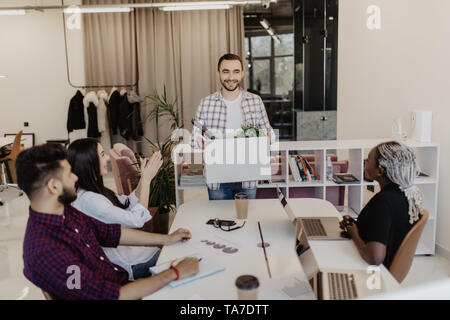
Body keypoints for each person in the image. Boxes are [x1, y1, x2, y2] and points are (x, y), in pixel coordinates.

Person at [17, 143, 199, 300]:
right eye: (69, 174)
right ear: (54, 186)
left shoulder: (64, 211)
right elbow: (111, 295)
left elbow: (109, 233)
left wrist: (167, 239)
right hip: (121, 292)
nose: (75, 177)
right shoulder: (45, 250)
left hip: (122, 282)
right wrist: (174, 273)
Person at [67, 138, 162, 280]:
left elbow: (128, 202)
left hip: (135, 253)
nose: (106, 158)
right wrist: (147, 180)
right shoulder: (89, 200)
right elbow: (137, 220)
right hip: (130, 263)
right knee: (182, 255)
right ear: (88, 161)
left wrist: (144, 177)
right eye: (102, 154)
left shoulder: (94, 192)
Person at [192, 53, 274, 200]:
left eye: (236, 71)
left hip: (248, 177)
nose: (231, 77)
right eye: (226, 71)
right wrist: (200, 142)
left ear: (242, 73)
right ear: (218, 73)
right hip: (217, 178)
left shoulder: (255, 101)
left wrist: (267, 137)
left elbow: (269, 133)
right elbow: (194, 140)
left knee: (246, 220)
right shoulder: (206, 103)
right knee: (220, 219)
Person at [339, 141, 424, 269]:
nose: (365, 162)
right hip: (388, 268)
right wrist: (356, 225)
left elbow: (375, 258)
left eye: (368, 160)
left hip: (372, 274)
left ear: (379, 171)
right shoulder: (406, 195)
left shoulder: (383, 202)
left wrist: (354, 232)